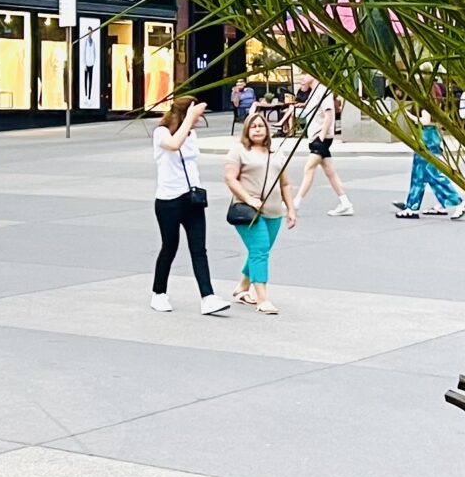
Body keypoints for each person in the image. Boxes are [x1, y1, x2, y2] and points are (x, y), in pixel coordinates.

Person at [150, 95, 227, 315]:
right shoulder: (161, 133)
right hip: (168, 200)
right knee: (169, 247)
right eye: (196, 117)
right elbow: (174, 145)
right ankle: (159, 293)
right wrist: (189, 118)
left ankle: (208, 297)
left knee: (199, 249)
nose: (198, 121)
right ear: (185, 114)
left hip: (192, 198)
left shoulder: (191, 134)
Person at [224, 107, 298, 314]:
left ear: (267, 129)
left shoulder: (277, 153)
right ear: (246, 131)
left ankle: (242, 287)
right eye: (253, 127)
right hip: (248, 211)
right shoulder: (238, 150)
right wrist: (248, 198)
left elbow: (285, 184)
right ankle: (262, 299)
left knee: (261, 251)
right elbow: (230, 178)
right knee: (260, 250)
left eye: (260, 126)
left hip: (274, 211)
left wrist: (291, 209)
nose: (257, 130)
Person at [394, 94, 465, 220]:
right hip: (430, 138)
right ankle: (413, 205)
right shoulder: (435, 102)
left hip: (426, 140)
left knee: (431, 174)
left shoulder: (424, 104)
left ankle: (458, 202)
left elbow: (425, 121)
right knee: (420, 175)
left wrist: (409, 115)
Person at [292, 73, 355, 217]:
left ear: (314, 75)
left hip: (321, 138)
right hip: (317, 137)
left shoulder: (322, 91)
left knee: (308, 168)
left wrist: (321, 136)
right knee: (330, 172)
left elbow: (329, 115)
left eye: (304, 74)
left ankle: (296, 202)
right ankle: (345, 203)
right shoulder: (314, 92)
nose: (301, 78)